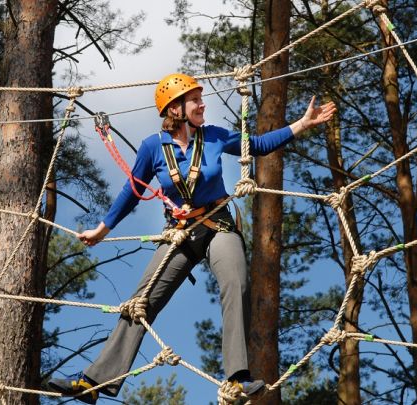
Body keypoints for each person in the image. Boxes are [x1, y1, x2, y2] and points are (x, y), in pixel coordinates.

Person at [48, 73, 337, 403]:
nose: (203, 104)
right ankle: (94, 381)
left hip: (218, 226)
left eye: (201, 98)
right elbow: (133, 189)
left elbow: (255, 145)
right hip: (181, 233)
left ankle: (238, 377)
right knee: (141, 302)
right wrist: (103, 228)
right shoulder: (153, 147)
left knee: (236, 283)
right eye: (195, 100)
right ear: (175, 109)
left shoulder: (213, 137)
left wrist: (301, 124)